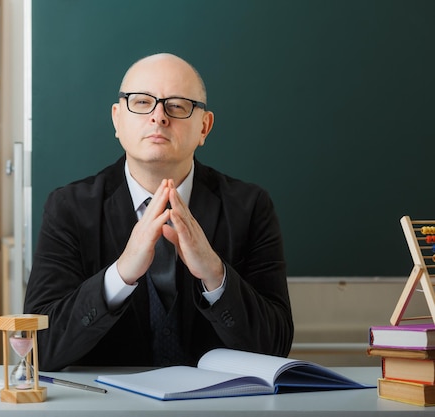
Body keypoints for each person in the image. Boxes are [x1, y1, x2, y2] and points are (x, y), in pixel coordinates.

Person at [24, 53, 293, 371]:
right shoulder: (68, 207)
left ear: (204, 127)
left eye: (177, 105)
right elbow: (37, 347)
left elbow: (274, 348)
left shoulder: (250, 207)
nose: (158, 117)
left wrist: (214, 274)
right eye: (141, 102)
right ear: (117, 119)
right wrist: (120, 275)